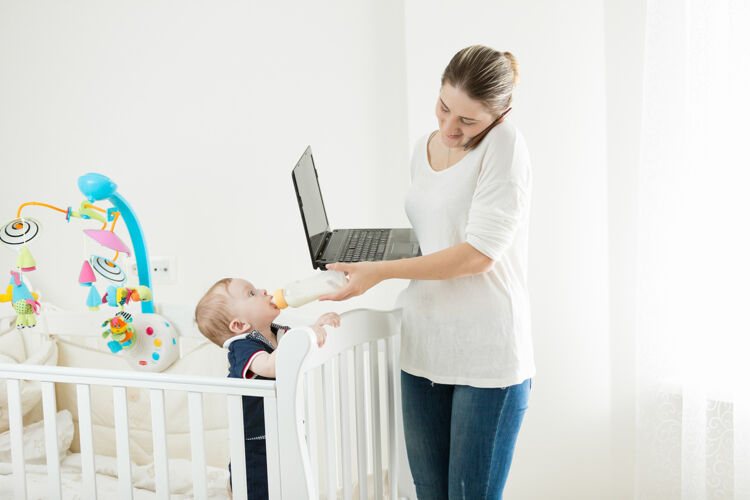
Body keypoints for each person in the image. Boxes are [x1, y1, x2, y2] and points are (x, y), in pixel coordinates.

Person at [320, 45, 533, 499]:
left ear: (501, 114)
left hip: (487, 354)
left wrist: (381, 270)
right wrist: (370, 255)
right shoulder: (424, 148)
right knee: (429, 492)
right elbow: (436, 232)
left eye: (468, 121)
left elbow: (478, 254)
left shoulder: (505, 145)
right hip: (425, 346)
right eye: (443, 107)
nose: (449, 128)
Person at [194, 277, 340, 499]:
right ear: (239, 325)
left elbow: (300, 348)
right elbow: (270, 365)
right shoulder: (242, 346)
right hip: (255, 449)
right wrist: (306, 333)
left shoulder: (277, 333)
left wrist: (316, 327)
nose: (262, 290)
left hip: (283, 432)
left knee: (291, 483)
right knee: (258, 491)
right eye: (251, 293)